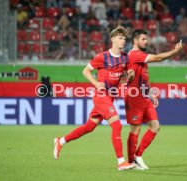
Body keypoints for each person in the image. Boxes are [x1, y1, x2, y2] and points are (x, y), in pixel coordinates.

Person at [53, 25, 136, 171]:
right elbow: (85, 71)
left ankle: (60, 141)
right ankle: (121, 162)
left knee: (89, 127)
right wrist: (96, 83)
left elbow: (128, 75)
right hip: (101, 96)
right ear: (112, 40)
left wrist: (130, 76)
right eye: (120, 38)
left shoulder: (125, 58)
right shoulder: (102, 57)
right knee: (117, 125)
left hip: (111, 98)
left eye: (124, 38)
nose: (123, 41)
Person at [125, 29, 183, 170]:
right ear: (135, 40)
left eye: (146, 39)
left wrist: (150, 93)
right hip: (134, 97)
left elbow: (143, 78)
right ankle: (131, 162)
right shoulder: (134, 55)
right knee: (135, 129)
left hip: (144, 96)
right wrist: (175, 52)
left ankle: (138, 156)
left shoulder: (141, 57)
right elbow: (158, 58)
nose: (146, 41)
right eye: (143, 39)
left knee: (155, 126)